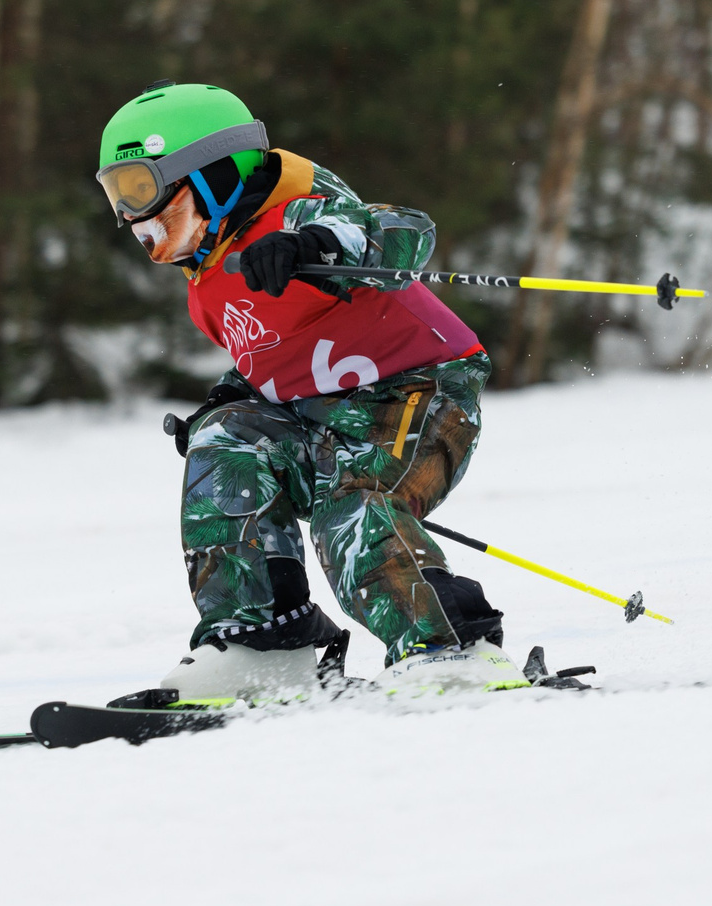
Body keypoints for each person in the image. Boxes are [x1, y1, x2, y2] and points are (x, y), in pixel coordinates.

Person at [95, 82, 519, 698]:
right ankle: (263, 641)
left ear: (211, 173)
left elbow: (406, 231)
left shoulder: (297, 213)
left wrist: (317, 246)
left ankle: (450, 648)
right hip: (320, 412)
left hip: (419, 390)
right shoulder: (208, 278)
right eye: (116, 194)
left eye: (140, 188)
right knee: (224, 445)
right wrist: (232, 395)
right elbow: (274, 352)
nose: (131, 215)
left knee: (354, 500)